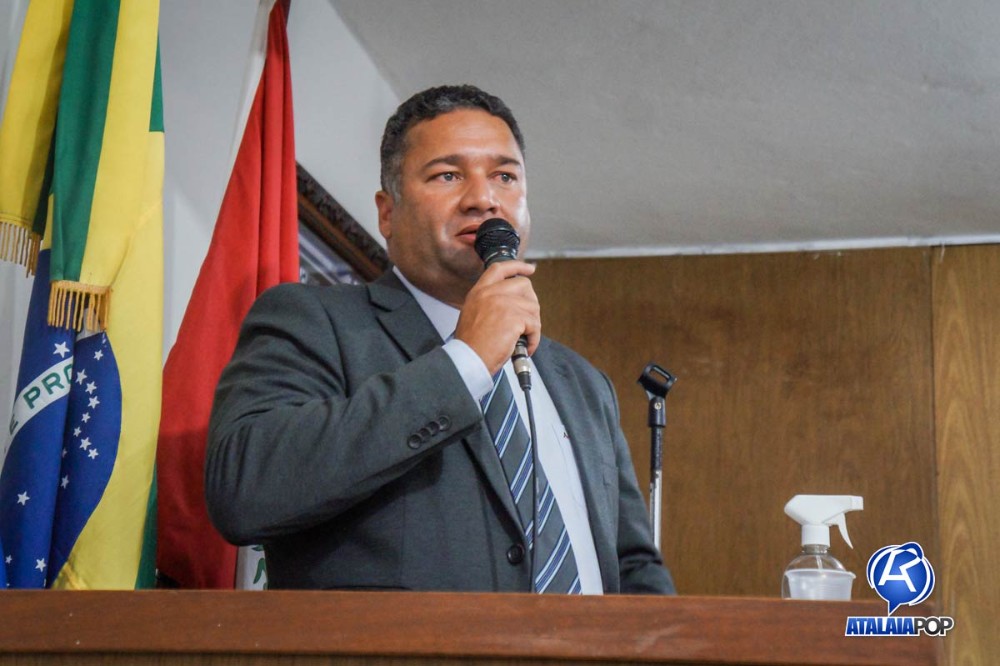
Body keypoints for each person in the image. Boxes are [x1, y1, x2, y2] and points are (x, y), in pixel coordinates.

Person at [205, 85, 675, 594]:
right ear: (387, 212)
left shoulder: (583, 383)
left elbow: (631, 565)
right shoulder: (314, 320)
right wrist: (466, 360)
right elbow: (244, 489)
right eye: (448, 175)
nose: (483, 198)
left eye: (505, 176)